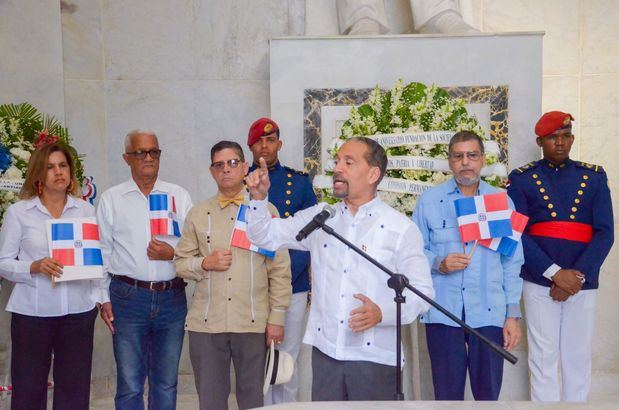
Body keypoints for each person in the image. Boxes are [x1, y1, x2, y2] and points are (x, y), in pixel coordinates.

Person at [246, 137, 434, 401]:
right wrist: (257, 199)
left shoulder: (400, 229)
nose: (338, 168)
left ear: (373, 174)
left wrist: (382, 313)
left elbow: (423, 292)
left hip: (376, 359)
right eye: (337, 161)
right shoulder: (321, 218)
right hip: (327, 356)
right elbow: (264, 236)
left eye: (349, 162)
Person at [175, 140, 291, 410]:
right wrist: (204, 263)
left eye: (232, 163)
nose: (226, 169)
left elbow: (280, 270)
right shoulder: (198, 214)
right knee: (211, 401)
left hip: (251, 322)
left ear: (245, 167)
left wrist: (277, 318)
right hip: (207, 324)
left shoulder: (264, 211)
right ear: (211, 171)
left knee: (252, 400)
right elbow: (180, 263)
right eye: (219, 165)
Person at [507, 111, 614, 402]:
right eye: (553, 137)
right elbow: (518, 233)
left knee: (578, 357)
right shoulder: (522, 179)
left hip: (582, 280)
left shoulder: (593, 177)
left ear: (572, 138)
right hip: (539, 279)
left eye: (566, 136)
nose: (560, 142)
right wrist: (554, 273)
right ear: (540, 140)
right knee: (543, 359)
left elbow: (605, 233)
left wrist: (575, 276)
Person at [412, 130, 524, 400]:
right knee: (447, 395)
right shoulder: (429, 201)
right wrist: (439, 263)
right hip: (443, 311)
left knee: (488, 395)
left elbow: (512, 261)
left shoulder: (500, 202)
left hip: (489, 311)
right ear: (449, 161)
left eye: (472, 155)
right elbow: (412, 254)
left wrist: (512, 314)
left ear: (482, 159)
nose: (466, 162)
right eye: (458, 156)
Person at [97, 130, 193, 409]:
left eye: (154, 152)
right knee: (129, 383)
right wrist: (103, 298)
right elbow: (101, 252)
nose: (148, 157)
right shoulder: (112, 199)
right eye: (140, 152)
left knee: (166, 382)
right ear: (127, 158)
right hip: (128, 298)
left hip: (172, 298)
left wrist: (173, 253)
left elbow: (196, 246)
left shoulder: (178, 196)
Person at [0, 142, 99, 410]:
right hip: (32, 315)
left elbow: (98, 260)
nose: (58, 172)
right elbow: (3, 262)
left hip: (78, 313)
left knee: (75, 391)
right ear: (38, 175)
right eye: (50, 167)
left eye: (63, 165)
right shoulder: (19, 213)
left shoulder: (86, 211)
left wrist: (98, 300)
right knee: (29, 390)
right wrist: (33, 266)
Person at [247, 117, 317, 404]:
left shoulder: (298, 183)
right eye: (259, 141)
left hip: (293, 284)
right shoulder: (241, 182)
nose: (265, 145)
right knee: (253, 360)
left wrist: (288, 277)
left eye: (271, 139)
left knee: (286, 358)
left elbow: (310, 237)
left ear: (280, 143)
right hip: (250, 285)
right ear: (250, 146)